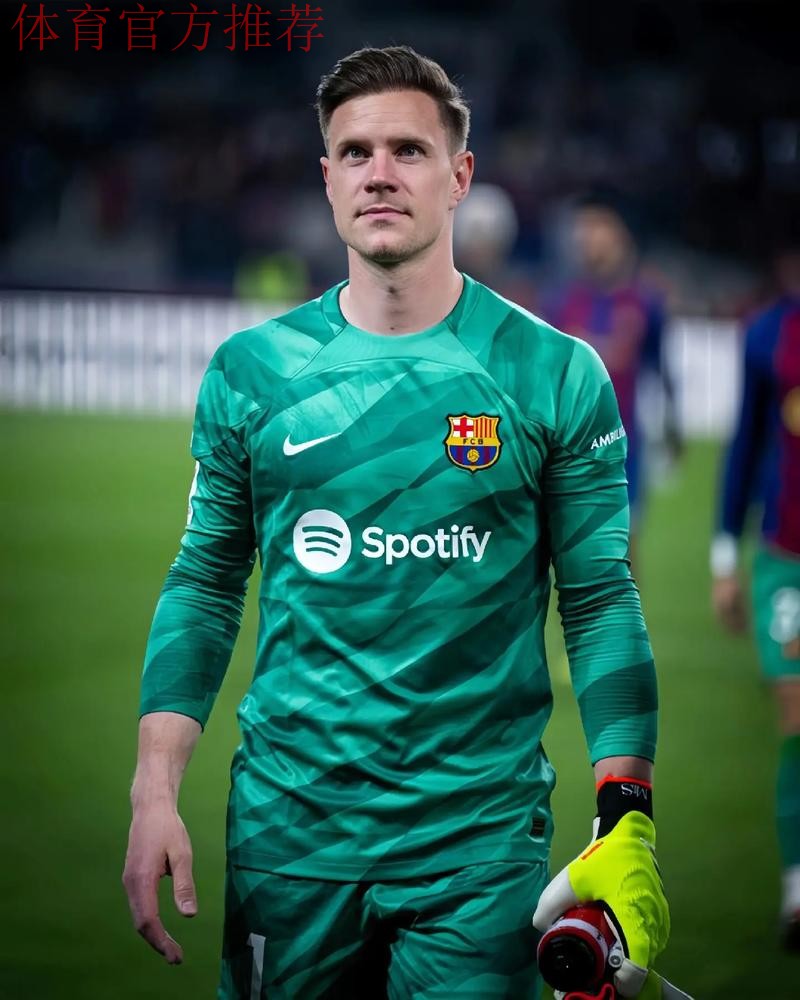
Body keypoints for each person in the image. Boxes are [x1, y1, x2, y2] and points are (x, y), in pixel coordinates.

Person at [123, 46, 669, 999]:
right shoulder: (252, 373)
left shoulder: (554, 374)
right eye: (356, 152)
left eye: (408, 150)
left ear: (460, 177)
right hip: (289, 843)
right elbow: (205, 584)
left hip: (478, 852)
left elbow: (599, 601)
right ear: (327, 177)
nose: (379, 173)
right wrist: (154, 789)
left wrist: (626, 816)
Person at [711, 238, 800, 950]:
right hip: (786, 559)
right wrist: (724, 557)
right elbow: (744, 443)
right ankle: (798, 888)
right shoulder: (769, 333)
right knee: (798, 716)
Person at [546, 194, 681, 562]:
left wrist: (673, 426)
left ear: (620, 236)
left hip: (625, 446)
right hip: (567, 445)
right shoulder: (560, 303)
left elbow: (660, 365)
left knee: (623, 551)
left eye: (597, 228)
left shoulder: (645, 302)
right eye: (583, 231)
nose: (588, 239)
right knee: (567, 554)